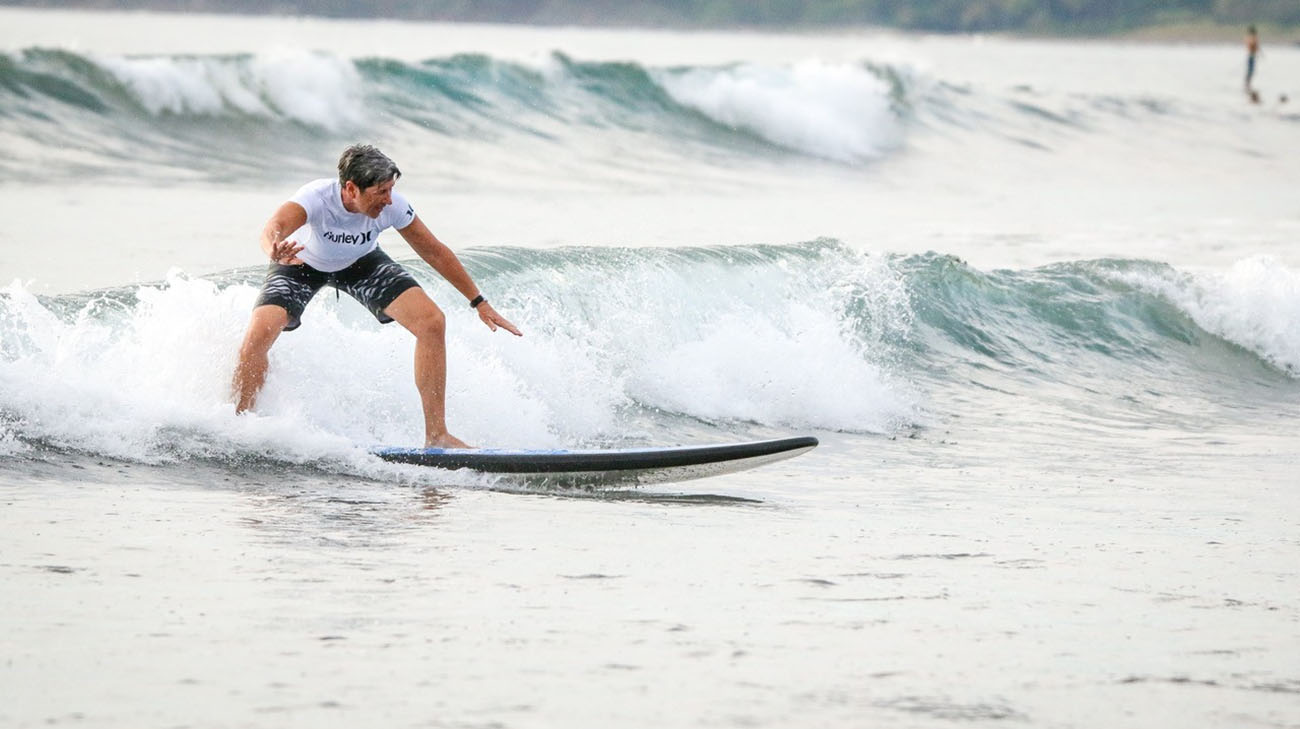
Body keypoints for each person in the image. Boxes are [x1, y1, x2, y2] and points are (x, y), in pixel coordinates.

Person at [231, 144, 521, 448]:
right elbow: (273, 228)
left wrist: (479, 302)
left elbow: (434, 251)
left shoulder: (393, 206)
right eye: (381, 192)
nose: (388, 199)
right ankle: (239, 426)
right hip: (300, 264)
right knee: (259, 334)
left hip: (361, 263)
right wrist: (273, 249)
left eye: (391, 189)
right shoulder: (316, 198)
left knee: (432, 322)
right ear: (351, 188)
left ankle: (437, 436)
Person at [1245, 25, 1260, 96]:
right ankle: (1248, 85)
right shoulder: (1252, 38)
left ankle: (1248, 84)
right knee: (1250, 71)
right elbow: (1253, 46)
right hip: (1251, 56)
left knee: (1251, 71)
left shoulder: (1251, 38)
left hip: (1251, 56)